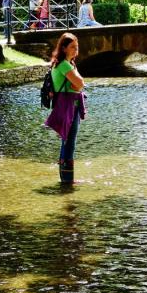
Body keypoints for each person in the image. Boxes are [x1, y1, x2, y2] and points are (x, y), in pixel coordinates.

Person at [45, 33, 86, 184]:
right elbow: (80, 84)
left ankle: (67, 179)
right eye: (72, 47)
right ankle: (67, 180)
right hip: (67, 106)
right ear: (63, 48)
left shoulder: (69, 64)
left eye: (77, 47)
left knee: (68, 141)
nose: (76, 50)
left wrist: (76, 84)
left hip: (69, 105)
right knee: (69, 142)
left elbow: (79, 84)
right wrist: (77, 84)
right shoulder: (64, 65)